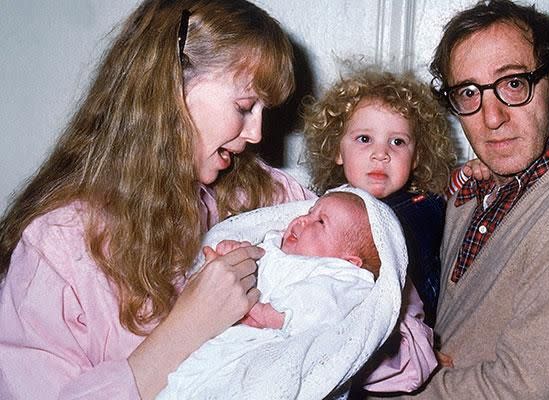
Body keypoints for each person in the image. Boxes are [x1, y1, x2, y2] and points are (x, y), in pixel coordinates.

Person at [0, 1, 315, 399]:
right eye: (245, 107)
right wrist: (187, 329)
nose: (256, 133)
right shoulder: (58, 248)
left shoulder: (266, 196)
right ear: (170, 90)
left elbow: (384, 309)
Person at [382, 0, 549, 398]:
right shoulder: (471, 193)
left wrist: (382, 388)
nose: (492, 117)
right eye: (468, 92)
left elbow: (524, 391)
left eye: (514, 84)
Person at [302, 66, 455, 393]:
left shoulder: (421, 208)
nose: (381, 153)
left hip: (390, 340)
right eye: (364, 139)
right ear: (336, 150)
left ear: (416, 158)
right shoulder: (322, 206)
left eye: (397, 142)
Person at [158, 191, 396, 398]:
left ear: (349, 261)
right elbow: (253, 261)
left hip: (268, 348)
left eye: (320, 222)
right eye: (310, 211)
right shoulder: (273, 243)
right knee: (186, 378)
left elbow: (319, 309)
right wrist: (234, 254)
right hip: (225, 337)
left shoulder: (342, 277)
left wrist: (260, 312)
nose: (303, 220)